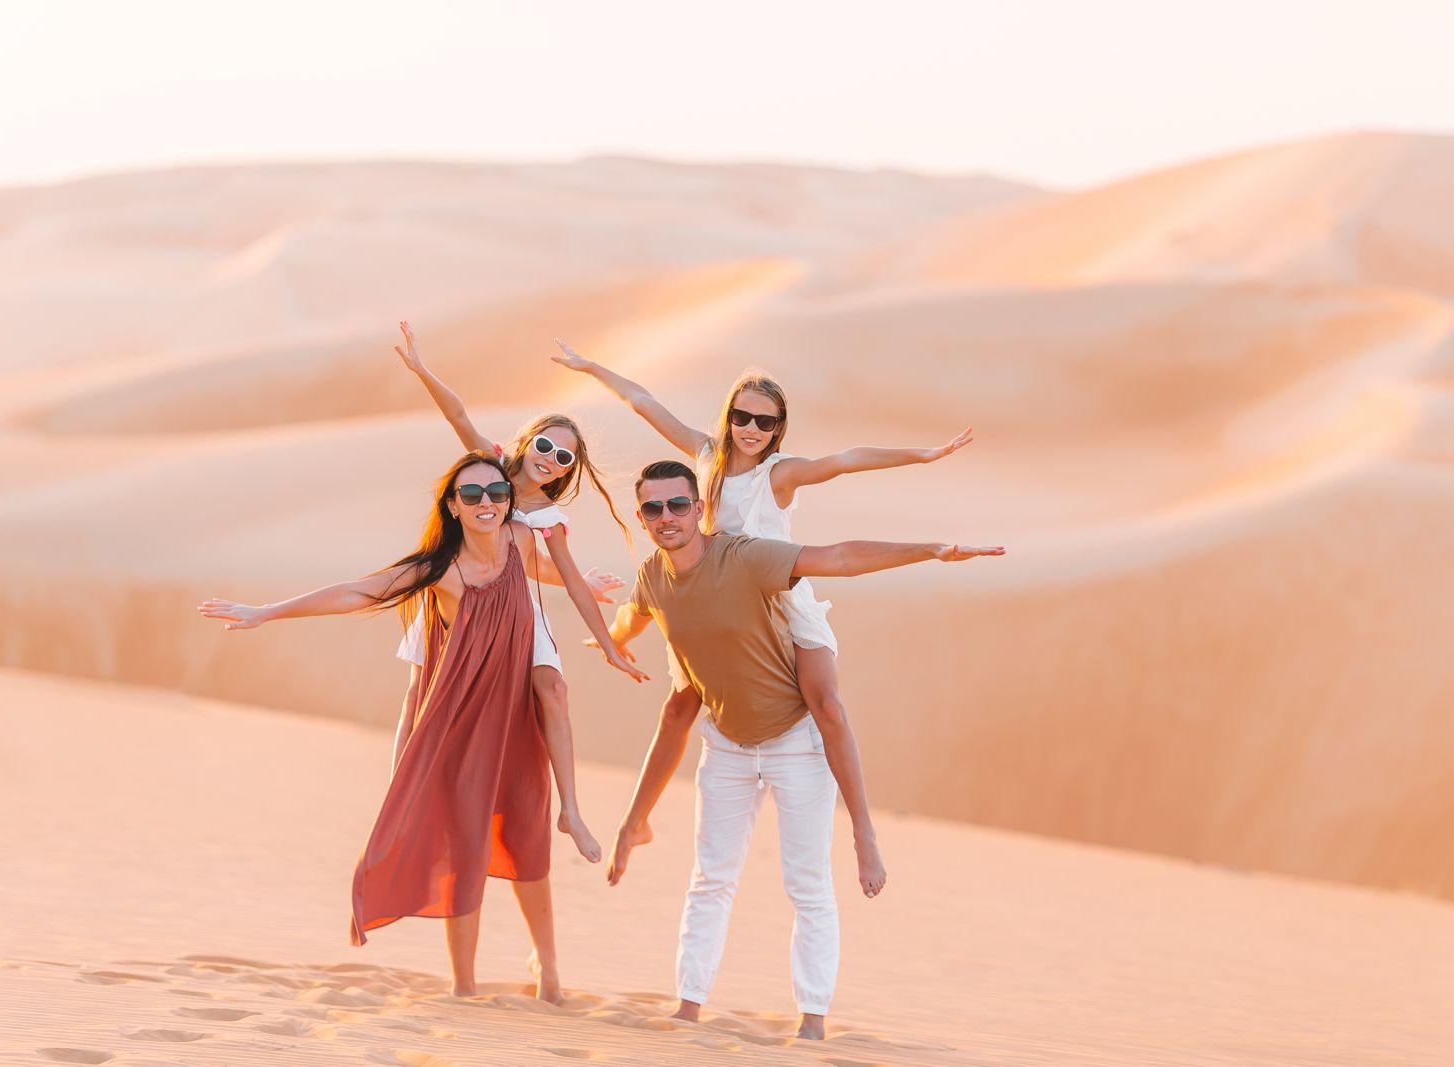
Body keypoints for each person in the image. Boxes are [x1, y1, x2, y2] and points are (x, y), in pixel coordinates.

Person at [198, 451, 643, 1002]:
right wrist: (268, 611)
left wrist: (597, 601)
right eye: (472, 495)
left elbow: (561, 577)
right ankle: (464, 986)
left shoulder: (521, 544)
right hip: (461, 726)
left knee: (527, 842)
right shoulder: (440, 570)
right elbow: (356, 592)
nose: (487, 503)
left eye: (497, 494)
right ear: (453, 507)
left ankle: (549, 971)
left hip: (513, 715)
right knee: (468, 850)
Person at [595, 458, 1003, 1039]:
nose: (666, 517)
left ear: (698, 509)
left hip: (795, 745)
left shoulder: (743, 558)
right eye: (653, 508)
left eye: (678, 504)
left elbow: (838, 558)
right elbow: (636, 629)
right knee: (710, 878)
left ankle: (812, 1019)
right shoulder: (651, 578)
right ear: (641, 516)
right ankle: (688, 1005)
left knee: (807, 885)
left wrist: (932, 549)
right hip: (727, 749)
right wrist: (607, 641)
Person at [553, 340, 971, 895]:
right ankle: (635, 823)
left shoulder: (780, 474)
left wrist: (922, 456)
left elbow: (847, 460)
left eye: (765, 422)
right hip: (713, 598)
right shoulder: (703, 456)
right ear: (729, 417)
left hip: (777, 595)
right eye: (742, 416)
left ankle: (864, 833)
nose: (752, 428)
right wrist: (588, 367)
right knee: (678, 708)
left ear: (778, 429)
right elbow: (642, 401)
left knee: (827, 704)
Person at [393, 321, 637, 862]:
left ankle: (570, 810)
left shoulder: (548, 517)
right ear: (528, 442)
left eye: (564, 457)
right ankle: (400, 791)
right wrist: (421, 369)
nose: (550, 457)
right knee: (418, 692)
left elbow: (556, 575)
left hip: (514, 612)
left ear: (567, 471)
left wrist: (611, 642)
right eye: (546, 445)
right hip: (455, 596)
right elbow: (459, 416)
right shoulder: (490, 470)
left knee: (554, 689)